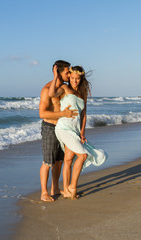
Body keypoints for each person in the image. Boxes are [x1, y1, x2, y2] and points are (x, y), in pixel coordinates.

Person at [49, 65, 107, 200]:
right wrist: (55, 77)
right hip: (63, 128)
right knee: (82, 156)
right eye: (73, 78)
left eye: (77, 79)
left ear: (81, 79)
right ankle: (73, 187)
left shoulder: (82, 94)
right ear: (69, 77)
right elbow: (52, 94)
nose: (75, 81)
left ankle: (67, 190)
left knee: (68, 160)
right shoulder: (64, 88)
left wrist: (82, 132)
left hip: (74, 130)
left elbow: (84, 114)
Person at [39, 60, 79, 202]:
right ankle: (44, 192)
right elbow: (42, 114)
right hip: (50, 127)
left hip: (62, 128)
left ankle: (55, 188)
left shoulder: (64, 87)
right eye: (67, 72)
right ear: (58, 72)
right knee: (48, 162)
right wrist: (62, 114)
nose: (69, 75)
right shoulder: (47, 89)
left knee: (59, 161)